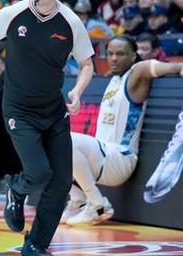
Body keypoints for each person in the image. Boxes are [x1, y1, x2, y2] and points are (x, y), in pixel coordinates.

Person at [0, 0, 95, 256]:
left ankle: (36, 243)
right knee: (39, 172)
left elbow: (87, 64)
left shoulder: (70, 22)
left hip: (54, 111)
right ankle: (16, 188)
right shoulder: (12, 14)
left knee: (62, 181)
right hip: (19, 110)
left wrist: (78, 91)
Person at [64, 36, 183, 225]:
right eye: (110, 53)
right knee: (48, 143)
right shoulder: (114, 79)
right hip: (103, 158)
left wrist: (178, 67)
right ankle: (79, 200)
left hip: (120, 157)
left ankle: (98, 205)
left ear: (133, 56)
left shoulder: (136, 72)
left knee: (65, 140)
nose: (113, 58)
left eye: (120, 54)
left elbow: (151, 66)